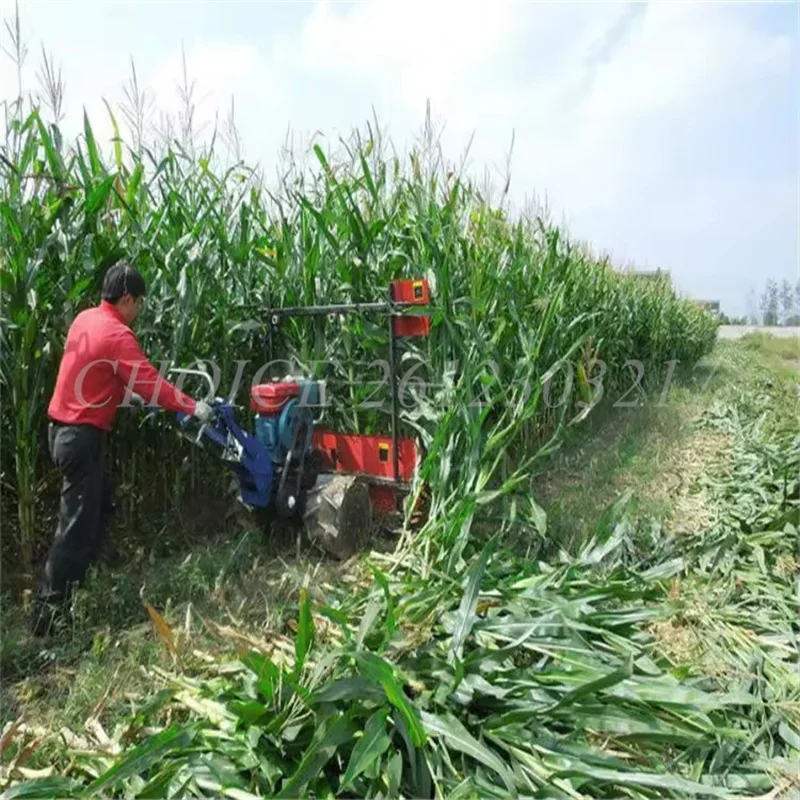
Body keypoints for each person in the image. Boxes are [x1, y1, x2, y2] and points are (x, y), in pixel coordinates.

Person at [32, 263, 212, 636]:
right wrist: (193, 406)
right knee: (75, 528)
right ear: (127, 298)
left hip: (62, 430)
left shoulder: (85, 319)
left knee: (103, 501)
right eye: (139, 302)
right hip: (80, 437)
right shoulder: (118, 334)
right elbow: (151, 384)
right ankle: (47, 618)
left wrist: (120, 392)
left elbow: (92, 370)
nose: (140, 310)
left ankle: (87, 583)